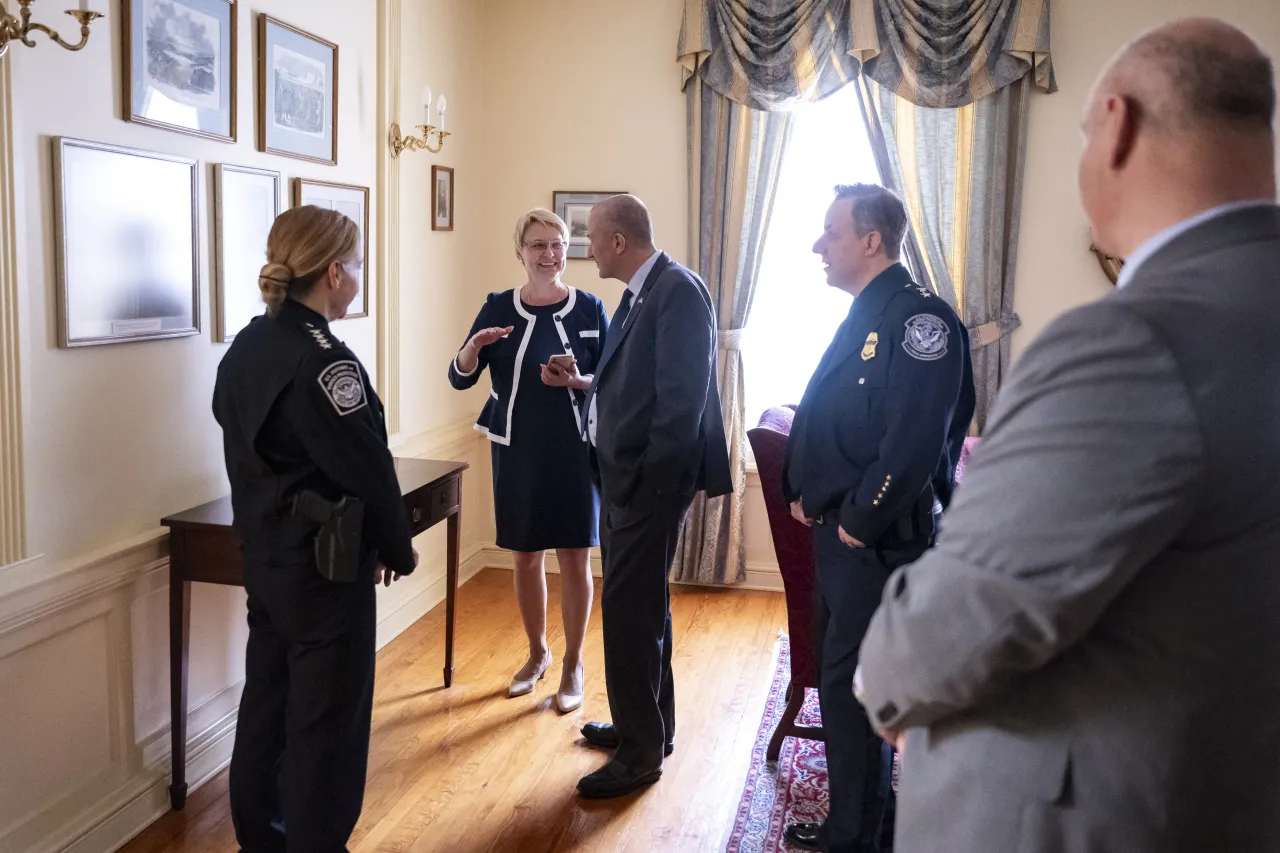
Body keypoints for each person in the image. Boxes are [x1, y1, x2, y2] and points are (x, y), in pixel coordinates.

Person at [856, 19, 1280, 853]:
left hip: (1080, 817)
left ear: (1116, 124)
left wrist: (883, 679)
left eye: (1085, 135)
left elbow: (954, 626)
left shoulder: (1129, 344)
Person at [213, 205, 418, 853]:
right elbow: (367, 466)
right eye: (356, 265)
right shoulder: (323, 361)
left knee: (266, 714)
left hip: (268, 558)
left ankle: (262, 842)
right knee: (324, 729)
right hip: (326, 569)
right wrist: (396, 547)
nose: (358, 277)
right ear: (334, 272)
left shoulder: (248, 344)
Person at [782, 184, 974, 853]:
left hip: (877, 544)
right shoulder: (870, 313)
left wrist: (858, 519)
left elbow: (914, 440)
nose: (817, 245)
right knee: (843, 688)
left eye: (829, 232)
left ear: (871, 241)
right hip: (847, 542)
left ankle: (854, 837)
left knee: (853, 690)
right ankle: (865, 823)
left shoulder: (919, 320)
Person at [574, 194, 732, 799]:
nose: (588, 249)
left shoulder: (677, 291)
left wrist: (650, 487)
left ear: (618, 241)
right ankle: (650, 725)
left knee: (630, 616)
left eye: (592, 238)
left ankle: (639, 754)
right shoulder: (643, 292)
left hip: (646, 488)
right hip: (621, 481)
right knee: (644, 610)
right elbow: (637, 384)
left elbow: (682, 404)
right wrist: (588, 385)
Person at [449, 208, 607, 712]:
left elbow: (612, 380)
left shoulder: (590, 308)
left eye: (557, 243)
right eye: (537, 245)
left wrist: (577, 380)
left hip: (575, 449)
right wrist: (472, 348)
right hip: (517, 451)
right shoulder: (497, 306)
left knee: (576, 557)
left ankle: (573, 663)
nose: (548, 254)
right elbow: (459, 376)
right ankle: (537, 653)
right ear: (519, 252)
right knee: (525, 555)